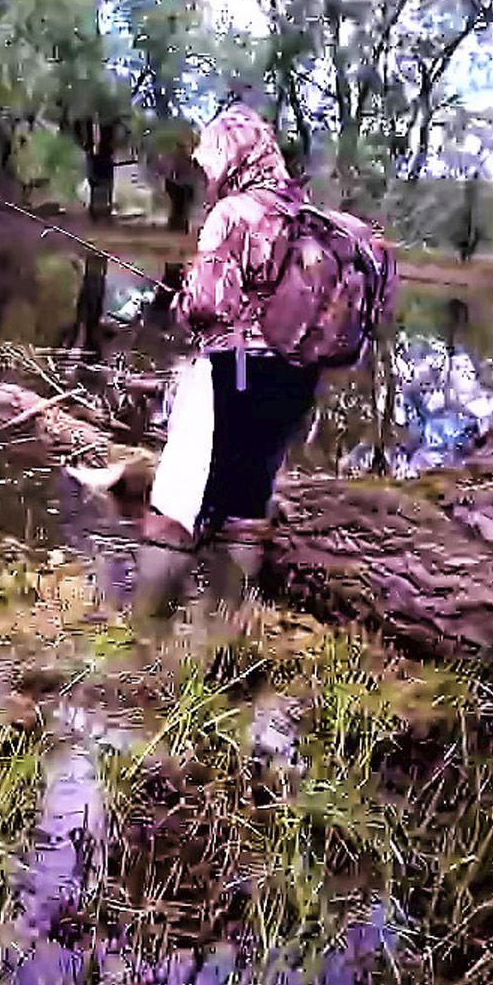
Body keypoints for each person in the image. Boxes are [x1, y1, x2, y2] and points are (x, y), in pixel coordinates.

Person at [133, 104, 335, 623]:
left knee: (177, 503)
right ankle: (221, 638)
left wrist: (179, 303)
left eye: (211, 161)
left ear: (233, 156)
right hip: (296, 376)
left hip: (236, 369)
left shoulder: (234, 213)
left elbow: (206, 305)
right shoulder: (304, 213)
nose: (207, 174)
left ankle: (143, 634)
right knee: (248, 503)